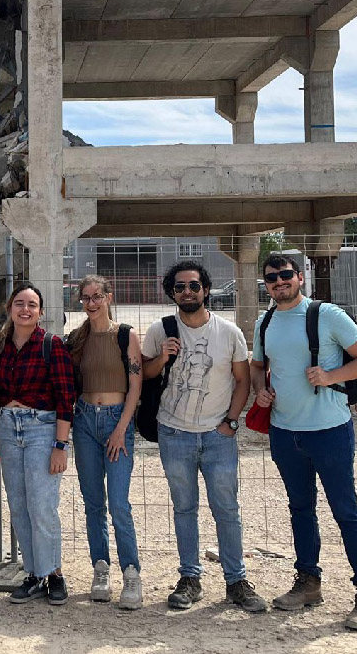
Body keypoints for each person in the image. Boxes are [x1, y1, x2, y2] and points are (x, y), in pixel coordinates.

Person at [251, 253, 357, 631]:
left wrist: (330, 376)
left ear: (300, 278)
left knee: (346, 512)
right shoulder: (265, 321)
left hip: (329, 430)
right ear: (267, 284)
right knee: (300, 510)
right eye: (272, 277)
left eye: (286, 275)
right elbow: (258, 367)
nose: (280, 282)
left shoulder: (328, 315)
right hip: (285, 431)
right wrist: (261, 391)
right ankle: (308, 583)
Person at [142, 260, 267, 614]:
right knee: (184, 508)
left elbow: (242, 380)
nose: (187, 292)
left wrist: (231, 421)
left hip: (217, 434)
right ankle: (190, 577)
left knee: (227, 509)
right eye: (180, 287)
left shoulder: (229, 333)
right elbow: (146, 374)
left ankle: (236, 580)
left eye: (194, 286)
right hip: (174, 432)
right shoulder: (160, 329)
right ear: (172, 293)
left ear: (206, 289)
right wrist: (162, 357)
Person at [0, 282, 77, 605]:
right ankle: (33, 573)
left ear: (40, 312)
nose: (25, 309)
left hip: (42, 429)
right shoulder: (0, 344)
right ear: (9, 308)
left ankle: (54, 573)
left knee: (43, 507)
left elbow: (65, 397)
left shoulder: (51, 345)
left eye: (32, 304)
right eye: (19, 303)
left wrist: (61, 445)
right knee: (19, 506)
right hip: (7, 428)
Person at [65, 274, 144, 609]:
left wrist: (121, 429)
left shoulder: (125, 335)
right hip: (84, 421)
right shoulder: (76, 339)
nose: (91, 303)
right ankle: (101, 568)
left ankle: (131, 573)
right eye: (86, 298)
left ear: (108, 297)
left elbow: (135, 386)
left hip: (117, 421)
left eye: (97, 296)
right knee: (93, 503)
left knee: (119, 504)